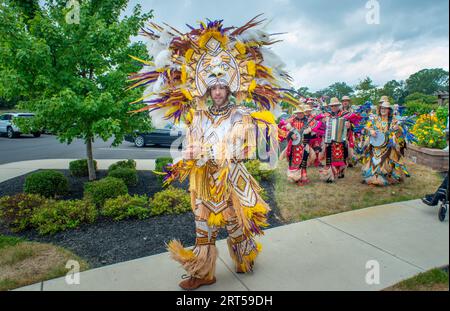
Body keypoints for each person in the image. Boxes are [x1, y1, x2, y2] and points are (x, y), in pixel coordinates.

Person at [128, 17, 297, 290]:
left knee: (234, 224)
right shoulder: (198, 116)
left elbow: (246, 147)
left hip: (230, 180)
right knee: (202, 227)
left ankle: (245, 257)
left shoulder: (241, 114)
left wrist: (228, 153)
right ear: (207, 88)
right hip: (203, 180)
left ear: (229, 88)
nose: (218, 91)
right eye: (214, 87)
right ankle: (204, 272)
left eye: (222, 87)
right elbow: (191, 142)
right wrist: (192, 154)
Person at [361, 101, 409, 186]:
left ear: (389, 110)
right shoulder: (375, 119)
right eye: (382, 108)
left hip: (388, 147)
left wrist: (397, 130)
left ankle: (386, 176)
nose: (383, 110)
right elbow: (365, 128)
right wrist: (371, 131)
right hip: (375, 147)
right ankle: (373, 177)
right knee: (374, 162)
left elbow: (400, 135)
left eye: (385, 108)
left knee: (388, 160)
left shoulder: (393, 121)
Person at [317, 98, 352, 182]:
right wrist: (323, 121)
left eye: (335, 105)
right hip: (329, 139)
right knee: (328, 156)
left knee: (343, 156)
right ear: (330, 106)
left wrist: (349, 125)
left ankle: (340, 171)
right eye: (332, 106)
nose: (334, 107)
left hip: (341, 139)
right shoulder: (327, 115)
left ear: (338, 106)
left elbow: (352, 125)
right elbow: (319, 125)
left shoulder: (345, 114)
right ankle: (330, 175)